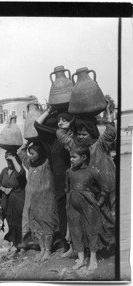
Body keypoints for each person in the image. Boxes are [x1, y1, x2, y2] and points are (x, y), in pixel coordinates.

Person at [56, 102, 116, 216]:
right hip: (87, 193)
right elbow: (60, 133)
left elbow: (111, 132)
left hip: (104, 188)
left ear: (92, 133)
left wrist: (108, 112)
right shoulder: (75, 146)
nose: (80, 137)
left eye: (84, 134)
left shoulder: (100, 144)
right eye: (78, 134)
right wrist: (70, 124)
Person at [65, 145, 115, 271]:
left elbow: (105, 187)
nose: (71, 159)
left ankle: (93, 258)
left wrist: (99, 202)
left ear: (84, 157)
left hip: (89, 205)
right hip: (72, 206)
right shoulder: (69, 172)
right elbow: (67, 188)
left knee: (91, 230)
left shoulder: (92, 171)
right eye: (70, 157)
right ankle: (81, 259)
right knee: (76, 231)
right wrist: (69, 204)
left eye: (74, 157)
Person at [34, 107, 73, 254]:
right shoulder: (55, 137)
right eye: (59, 120)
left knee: (74, 212)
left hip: (73, 179)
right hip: (59, 181)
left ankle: (78, 247)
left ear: (71, 122)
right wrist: (50, 110)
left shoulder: (74, 137)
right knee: (62, 212)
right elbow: (37, 124)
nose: (61, 122)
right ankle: (67, 245)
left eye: (65, 120)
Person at [18, 142, 59, 261]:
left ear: (40, 153)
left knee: (47, 224)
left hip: (45, 201)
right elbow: (21, 152)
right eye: (29, 153)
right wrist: (27, 142)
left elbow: (52, 153)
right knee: (36, 226)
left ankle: (48, 250)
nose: (30, 156)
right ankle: (41, 249)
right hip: (32, 202)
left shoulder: (47, 164)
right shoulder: (30, 165)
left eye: (32, 153)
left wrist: (41, 138)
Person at [0, 151, 27, 252]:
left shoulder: (19, 171)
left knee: (19, 222)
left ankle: (21, 243)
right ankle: (14, 243)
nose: (9, 163)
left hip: (18, 200)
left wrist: (14, 158)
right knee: (10, 222)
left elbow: (21, 172)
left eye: (11, 161)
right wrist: (3, 189)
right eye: (7, 160)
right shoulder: (4, 171)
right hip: (7, 201)